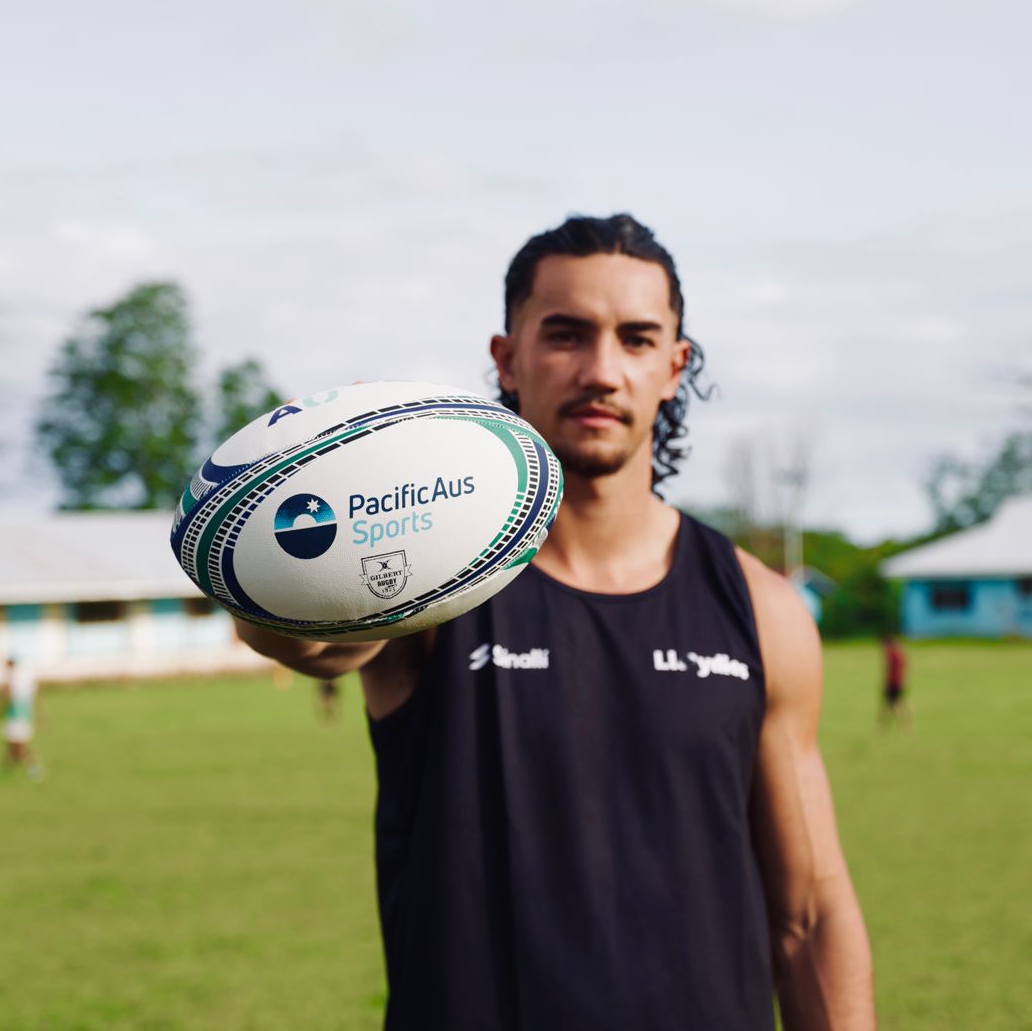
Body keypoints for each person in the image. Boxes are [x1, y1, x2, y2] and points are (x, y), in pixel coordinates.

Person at [236, 214, 874, 1029]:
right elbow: (310, 639)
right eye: (566, 335)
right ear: (508, 358)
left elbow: (809, 912)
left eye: (637, 340)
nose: (602, 370)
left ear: (675, 368)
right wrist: (279, 556)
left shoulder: (761, 608)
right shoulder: (434, 589)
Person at [0, 656, 43, 778]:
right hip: (24, 713)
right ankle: (6, 770)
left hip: (15, 714)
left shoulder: (13, 677)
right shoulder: (25, 677)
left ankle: (34, 769)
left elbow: (7, 695)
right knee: (13, 745)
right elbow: (36, 692)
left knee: (19, 745)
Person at [880, 633, 910, 731]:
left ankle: (903, 727)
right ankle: (886, 727)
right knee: (893, 705)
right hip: (898, 682)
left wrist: (886, 682)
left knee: (893, 706)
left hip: (893, 683)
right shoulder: (900, 653)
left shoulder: (892, 654)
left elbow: (890, 670)